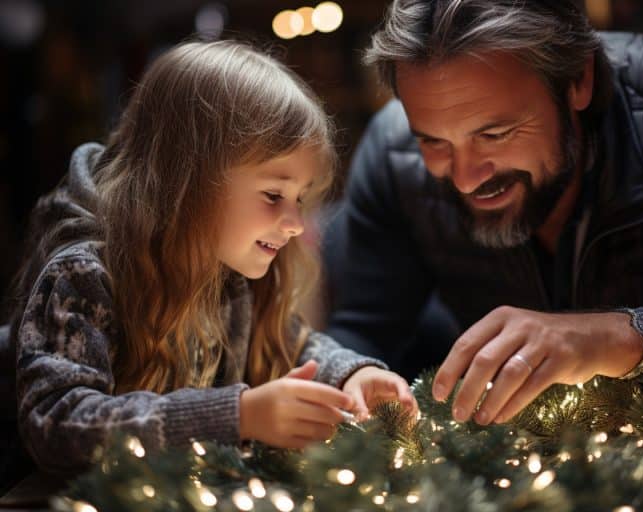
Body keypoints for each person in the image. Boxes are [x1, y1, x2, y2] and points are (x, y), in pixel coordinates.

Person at [323, 0, 643, 427]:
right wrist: (347, 375)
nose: (464, 179)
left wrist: (614, 338)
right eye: (433, 141)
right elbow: (364, 331)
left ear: (578, 80)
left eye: (495, 134)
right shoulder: (390, 152)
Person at [2, 39, 416, 478]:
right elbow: (56, 423)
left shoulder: (230, 271)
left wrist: (348, 377)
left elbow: (294, 346)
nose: (295, 223)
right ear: (190, 180)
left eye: (300, 198)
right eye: (274, 195)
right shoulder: (84, 275)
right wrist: (237, 416)